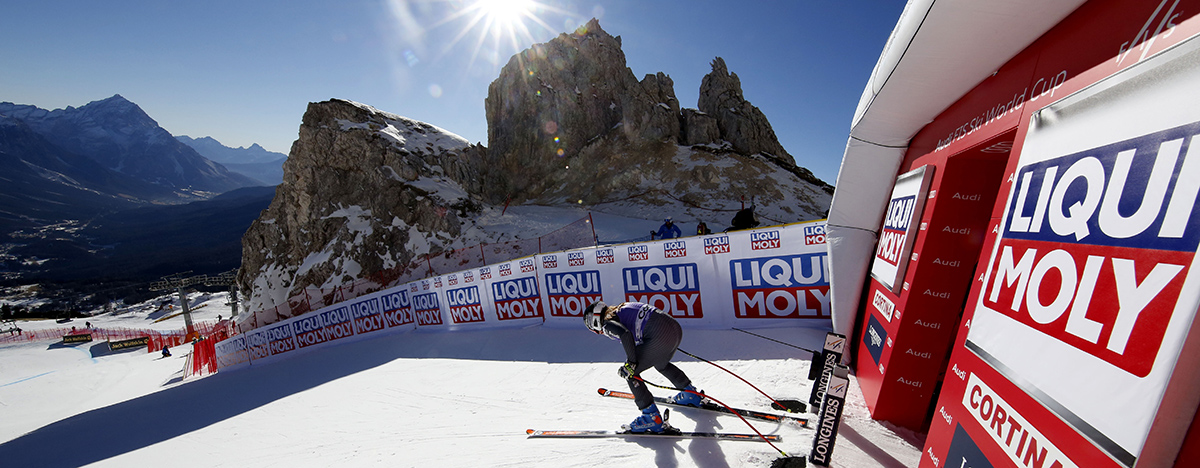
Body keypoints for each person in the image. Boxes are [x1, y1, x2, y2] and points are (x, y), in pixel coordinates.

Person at [584, 301, 702, 433]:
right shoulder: (621, 308)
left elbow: (625, 334)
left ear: (594, 321)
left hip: (659, 336)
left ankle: (651, 418)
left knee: (630, 373)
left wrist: (631, 363)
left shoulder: (607, 323)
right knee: (661, 364)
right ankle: (691, 394)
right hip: (673, 329)